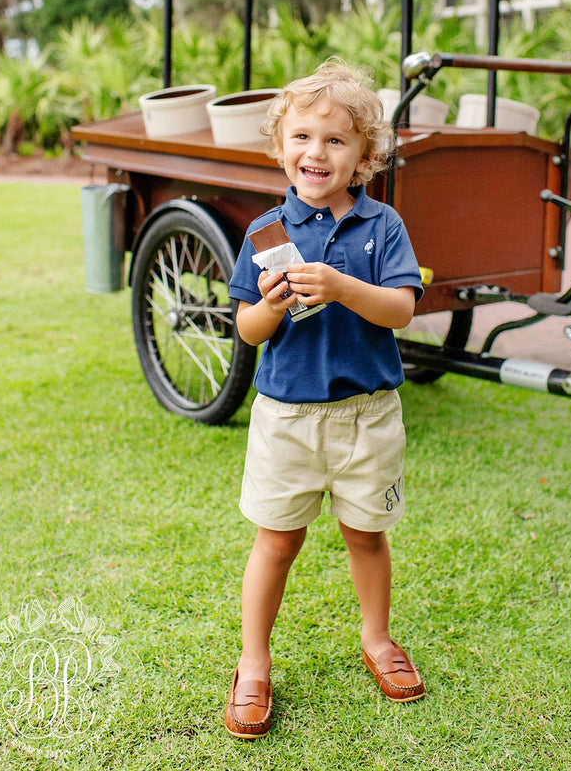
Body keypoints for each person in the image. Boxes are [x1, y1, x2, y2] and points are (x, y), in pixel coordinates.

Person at [225, 60, 426, 740]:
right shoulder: (263, 234)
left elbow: (400, 309)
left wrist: (341, 287)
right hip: (287, 416)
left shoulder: (382, 226)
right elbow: (247, 329)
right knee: (276, 540)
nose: (317, 152)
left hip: (368, 413)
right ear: (282, 146)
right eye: (303, 136)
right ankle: (254, 663)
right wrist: (273, 307)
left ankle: (377, 639)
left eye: (336, 141)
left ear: (365, 157)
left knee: (366, 533)